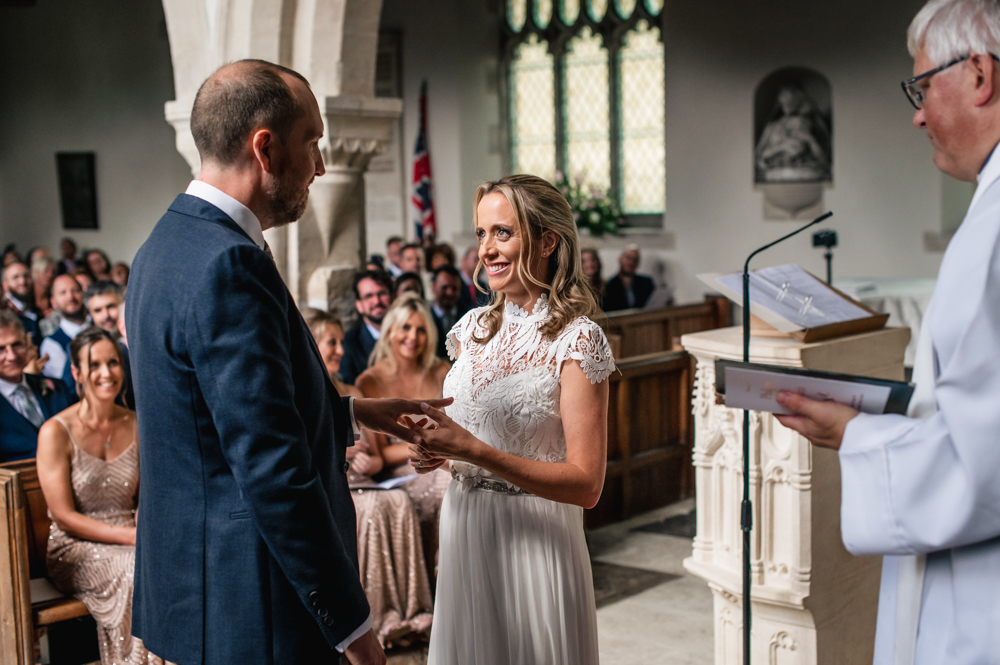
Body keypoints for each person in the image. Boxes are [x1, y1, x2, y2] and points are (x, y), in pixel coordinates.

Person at [126, 59, 448, 665]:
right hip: (253, 600)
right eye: (313, 142)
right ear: (265, 148)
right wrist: (355, 630)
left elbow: (206, 418)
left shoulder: (161, 246)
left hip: (191, 590)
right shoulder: (229, 265)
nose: (322, 166)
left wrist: (355, 412)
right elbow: (272, 468)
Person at [774, 2, 1000, 663]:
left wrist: (853, 432)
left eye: (923, 85)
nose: (919, 113)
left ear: (981, 75)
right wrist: (902, 407)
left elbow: (980, 465)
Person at [406, 175, 614, 665]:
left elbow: (587, 486)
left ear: (548, 241)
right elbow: (464, 440)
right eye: (481, 234)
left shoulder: (577, 340)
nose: (487, 250)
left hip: (535, 535)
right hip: (465, 524)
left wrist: (472, 451)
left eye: (503, 233)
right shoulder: (471, 330)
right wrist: (435, 451)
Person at [306, 309, 434, 645]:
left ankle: (412, 614)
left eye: (341, 342)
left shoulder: (350, 390)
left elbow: (378, 457)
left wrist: (369, 462)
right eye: (331, 342)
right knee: (377, 510)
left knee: (400, 502)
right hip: (335, 484)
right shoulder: (301, 394)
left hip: (366, 481)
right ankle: (375, 621)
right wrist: (341, 451)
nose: (340, 350)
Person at [36, 327, 161, 664]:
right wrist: (132, 537)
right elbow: (62, 516)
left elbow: (147, 496)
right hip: (73, 547)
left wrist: (144, 524)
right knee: (139, 568)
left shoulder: (137, 424)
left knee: (166, 563)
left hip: (131, 539)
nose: (106, 373)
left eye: (114, 363)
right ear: (76, 373)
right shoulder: (55, 432)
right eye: (95, 365)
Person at [356, 293, 452, 582]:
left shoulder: (441, 371)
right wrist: (423, 446)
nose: (413, 336)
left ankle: (456, 570)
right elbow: (381, 453)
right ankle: (438, 575)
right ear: (390, 332)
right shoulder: (369, 380)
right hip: (401, 470)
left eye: (421, 329)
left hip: (444, 457)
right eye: (406, 328)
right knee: (446, 484)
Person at [0, 311, 71, 462]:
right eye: (1, 350)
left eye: (16, 345)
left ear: (27, 342)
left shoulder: (56, 387)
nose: (11, 356)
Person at [341, 269, 393, 385]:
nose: (376, 301)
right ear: (359, 305)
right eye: (368, 296)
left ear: (392, 296)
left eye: (382, 293)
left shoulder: (407, 335)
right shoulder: (349, 342)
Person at [40, 274, 89, 396]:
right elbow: (65, 387)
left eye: (75, 290)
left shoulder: (100, 327)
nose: (70, 297)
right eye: (63, 293)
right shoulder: (52, 344)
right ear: (53, 302)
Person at [429, 265, 469, 359]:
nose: (449, 292)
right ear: (433, 287)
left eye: (454, 288)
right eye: (444, 287)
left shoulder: (468, 317)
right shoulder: (424, 316)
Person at [602, 245, 655, 311]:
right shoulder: (608, 286)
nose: (631, 262)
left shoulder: (646, 283)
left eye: (635, 260)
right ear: (620, 259)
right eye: (628, 258)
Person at [2, 261, 41, 345]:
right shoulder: (4, 312)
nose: (22, 281)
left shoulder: (36, 310)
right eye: (15, 277)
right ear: (4, 284)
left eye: (26, 276)